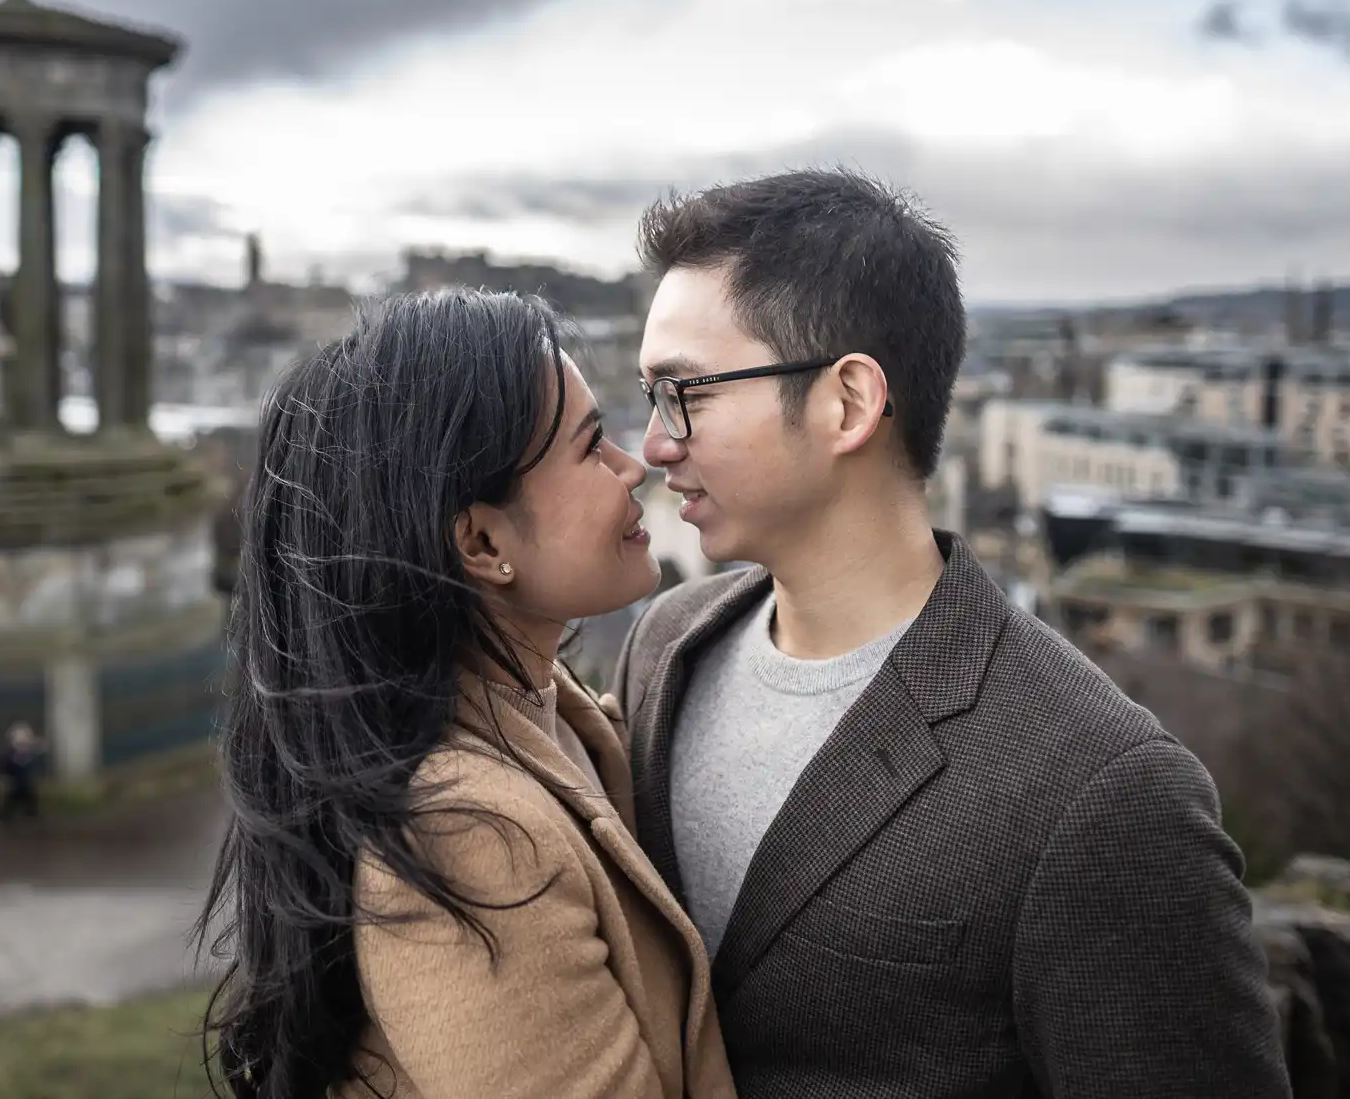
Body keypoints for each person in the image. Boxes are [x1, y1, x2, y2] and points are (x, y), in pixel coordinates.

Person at [615, 171, 1289, 1097]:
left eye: (684, 391)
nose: (654, 442)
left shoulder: (1105, 792)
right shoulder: (666, 646)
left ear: (848, 403)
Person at [202, 289, 735, 1099]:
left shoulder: (552, 712)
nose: (637, 465)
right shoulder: (471, 836)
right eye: (594, 449)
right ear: (483, 542)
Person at [0, 721, 42, 824]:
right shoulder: (10, 755)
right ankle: (3, 817)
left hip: (25, 782)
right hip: (15, 782)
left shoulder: (29, 754)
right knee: (12, 800)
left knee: (30, 799)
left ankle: (31, 816)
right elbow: (4, 766)